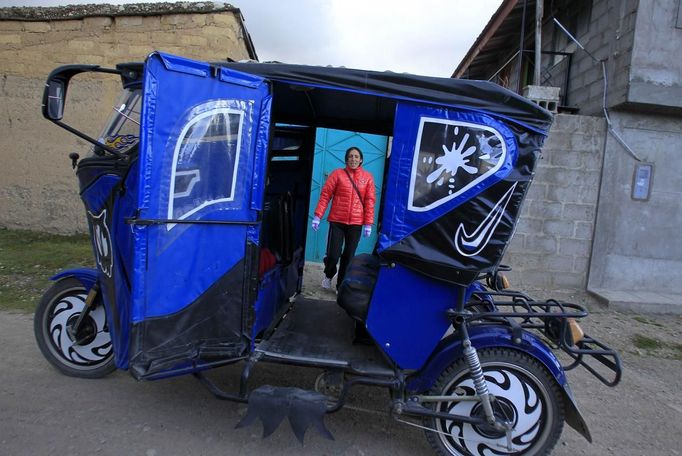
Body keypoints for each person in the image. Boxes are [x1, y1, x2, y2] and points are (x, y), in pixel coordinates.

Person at [312, 146, 376, 291]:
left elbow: (369, 201)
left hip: (356, 223)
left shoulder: (368, 178)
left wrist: (368, 224)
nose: (353, 159)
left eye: (356, 157)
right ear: (346, 159)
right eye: (350, 156)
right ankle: (328, 275)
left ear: (361, 160)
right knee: (333, 255)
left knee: (348, 256)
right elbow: (325, 195)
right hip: (337, 221)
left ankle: (340, 285)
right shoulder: (337, 174)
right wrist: (317, 216)